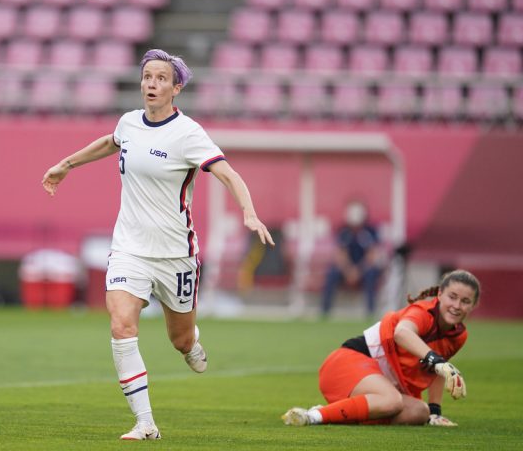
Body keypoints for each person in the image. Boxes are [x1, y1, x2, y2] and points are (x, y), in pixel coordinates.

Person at [42, 49, 274, 440]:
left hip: (176, 255)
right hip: (129, 248)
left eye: (161, 78)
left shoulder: (188, 134)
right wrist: (66, 165)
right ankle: (145, 422)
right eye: (147, 76)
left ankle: (191, 344)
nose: (151, 84)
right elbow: (110, 142)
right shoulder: (129, 123)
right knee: (121, 325)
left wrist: (249, 212)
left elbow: (229, 174)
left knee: (179, 337)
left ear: (176, 87)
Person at [282, 269, 480, 427]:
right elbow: (402, 333)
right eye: (452, 297)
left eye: (465, 301)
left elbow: (436, 369)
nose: (456, 305)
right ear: (439, 295)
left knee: (420, 412)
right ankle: (313, 416)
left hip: (380, 381)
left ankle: (341, 412)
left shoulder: (459, 335)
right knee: (391, 401)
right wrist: (437, 361)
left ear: (473, 306)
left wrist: (435, 411)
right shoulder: (423, 312)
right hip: (348, 362)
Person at [321, 200, 383, 317]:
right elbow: (340, 254)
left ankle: (370, 311)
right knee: (332, 273)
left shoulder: (370, 231)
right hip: (347, 269)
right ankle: (325, 311)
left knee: (371, 274)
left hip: (364, 269)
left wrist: (359, 271)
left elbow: (371, 255)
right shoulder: (344, 231)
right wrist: (349, 271)